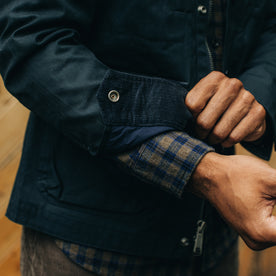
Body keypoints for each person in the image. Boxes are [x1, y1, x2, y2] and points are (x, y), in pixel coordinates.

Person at [0, 0, 276, 275]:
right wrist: (204, 169)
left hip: (215, 238)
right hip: (90, 245)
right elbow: (31, 41)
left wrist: (256, 96)